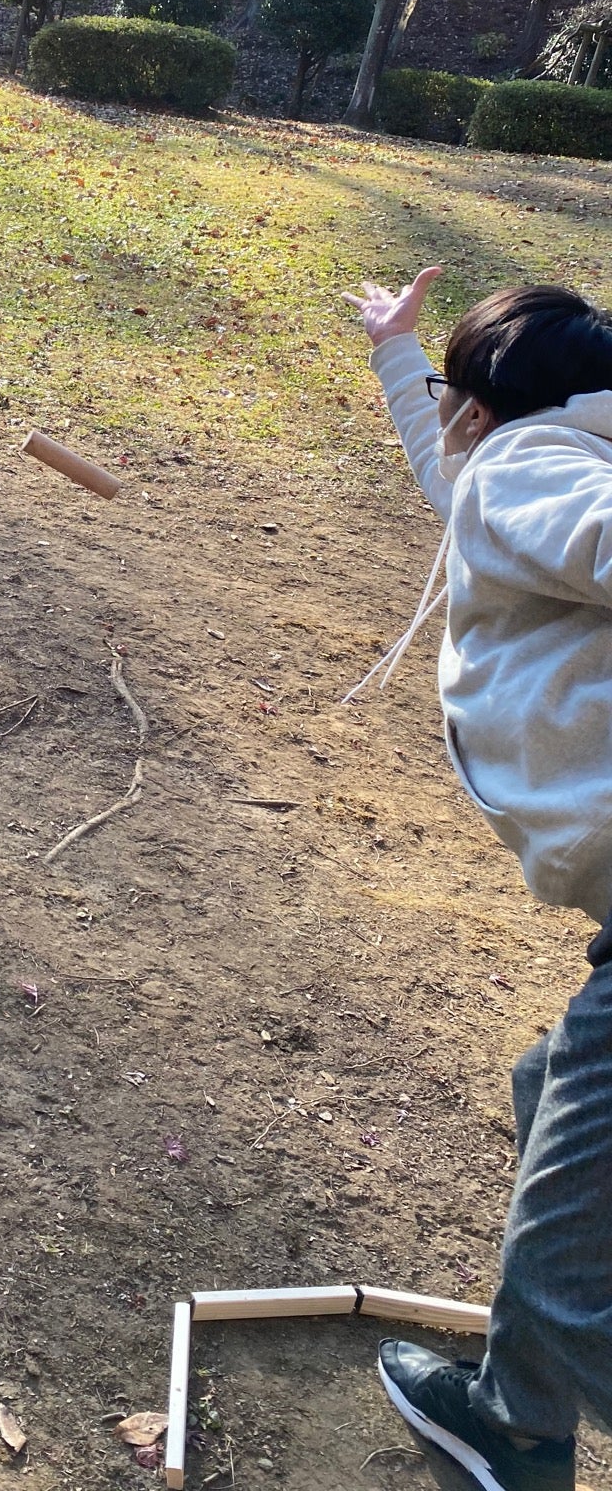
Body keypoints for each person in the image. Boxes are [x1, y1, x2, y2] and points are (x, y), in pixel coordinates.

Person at [346, 265, 612, 1491]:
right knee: (543, 1089)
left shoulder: (535, 470)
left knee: (568, 1212)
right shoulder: (528, 467)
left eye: (450, 395)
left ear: (489, 405)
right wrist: (399, 354)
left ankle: (519, 1426)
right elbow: (449, 487)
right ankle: (542, 1381)